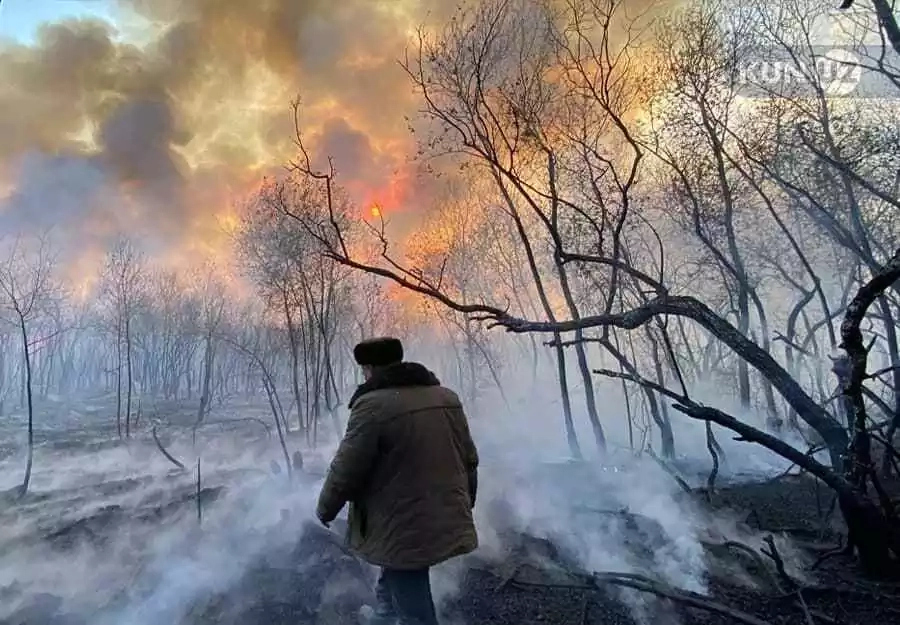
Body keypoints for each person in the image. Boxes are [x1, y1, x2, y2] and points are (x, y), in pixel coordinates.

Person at [316, 337, 479, 625]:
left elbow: (346, 468)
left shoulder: (372, 406)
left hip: (405, 518)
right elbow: (469, 458)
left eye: (365, 369)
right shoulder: (446, 397)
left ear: (369, 369)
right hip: (442, 507)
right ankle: (383, 618)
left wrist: (326, 509)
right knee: (396, 570)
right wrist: (468, 500)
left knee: (412, 600)